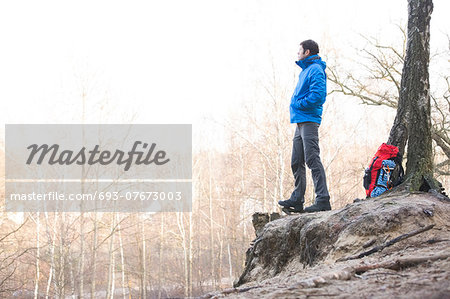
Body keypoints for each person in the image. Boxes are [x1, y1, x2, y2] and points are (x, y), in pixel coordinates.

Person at [278, 39, 331, 213]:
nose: (297, 54)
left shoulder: (315, 69)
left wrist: (298, 103)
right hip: (300, 121)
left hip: (309, 119)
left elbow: (318, 96)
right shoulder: (306, 71)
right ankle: (297, 199)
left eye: (299, 51)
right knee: (296, 161)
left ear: (307, 52)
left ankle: (323, 199)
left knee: (312, 158)